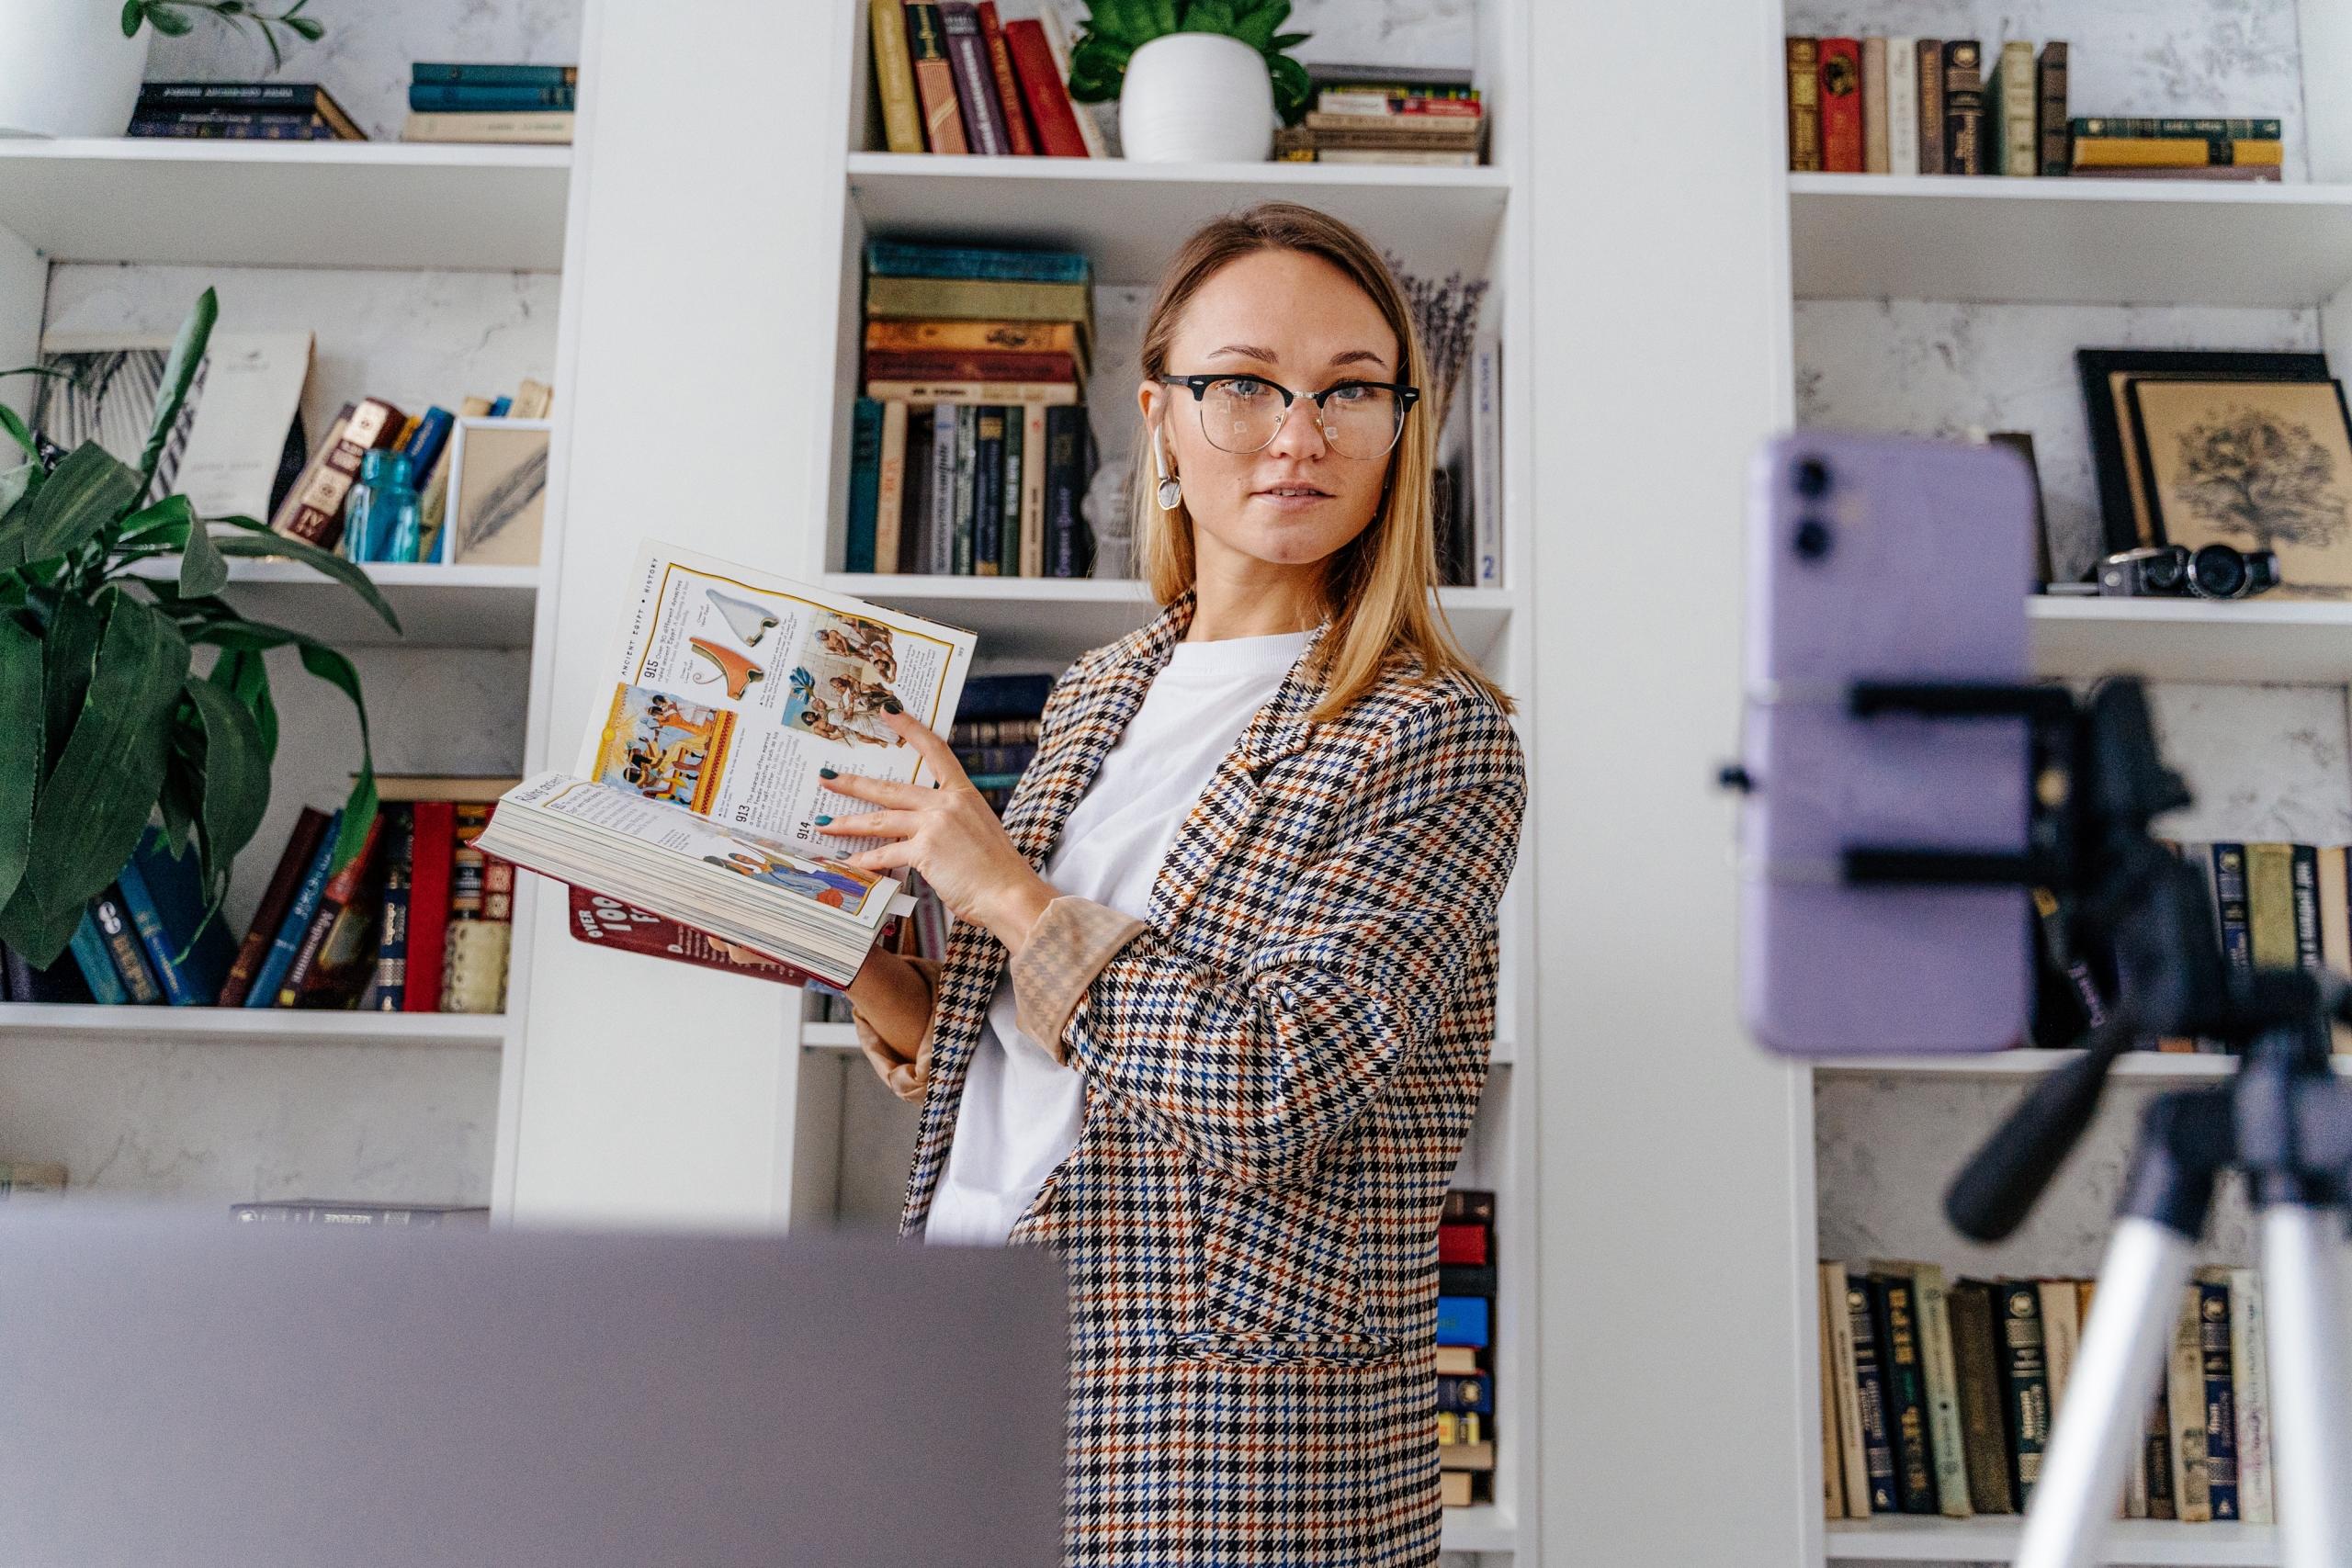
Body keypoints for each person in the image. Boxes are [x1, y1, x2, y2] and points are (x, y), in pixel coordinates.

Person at [824, 202, 1525, 1567]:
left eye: (1350, 392)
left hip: (1225, 1443)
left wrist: (1012, 897)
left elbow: (1273, 1082)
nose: (1299, 432)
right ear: (1159, 417)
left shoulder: (1431, 732)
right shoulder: (1096, 697)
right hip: (965, 1345)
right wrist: (856, 958)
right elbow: (1031, 1061)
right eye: (1245, 383)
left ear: (1401, 427)